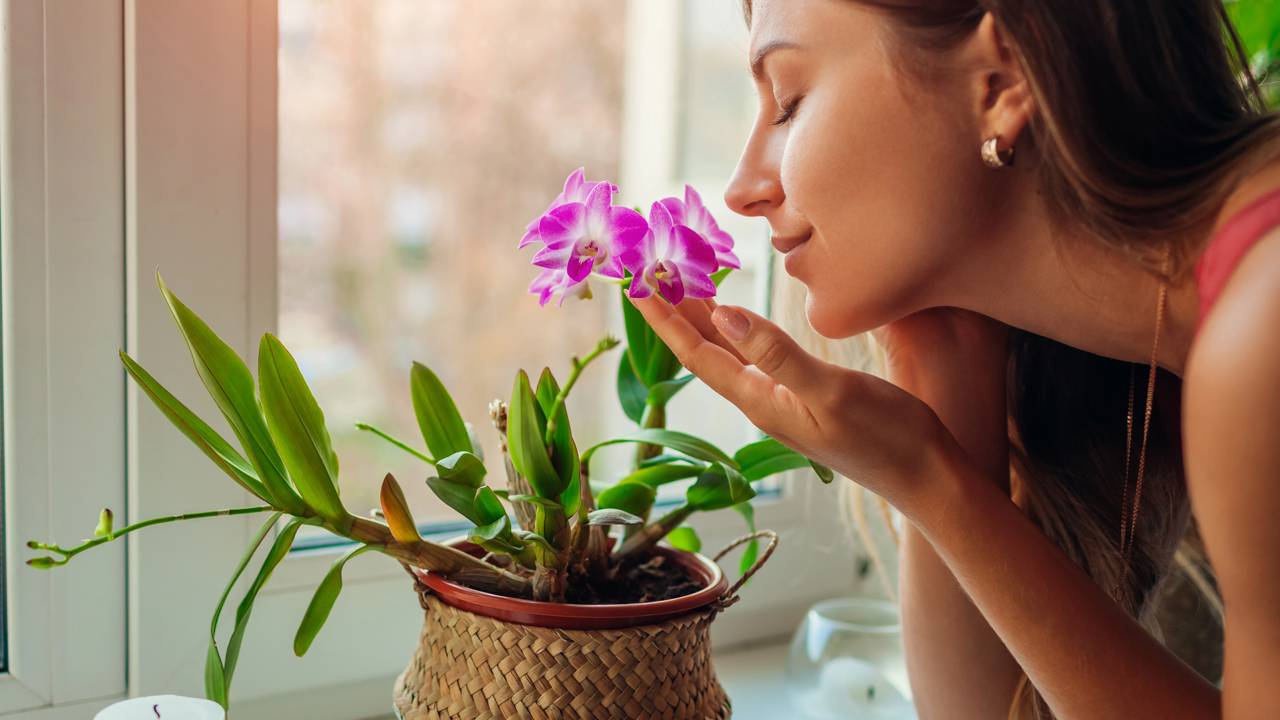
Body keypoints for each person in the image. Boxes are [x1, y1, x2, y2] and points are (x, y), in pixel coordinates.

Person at [628, 1, 1280, 718]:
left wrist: (930, 477)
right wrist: (942, 382)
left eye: (788, 101)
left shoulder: (1263, 325)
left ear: (1000, 83)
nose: (744, 188)